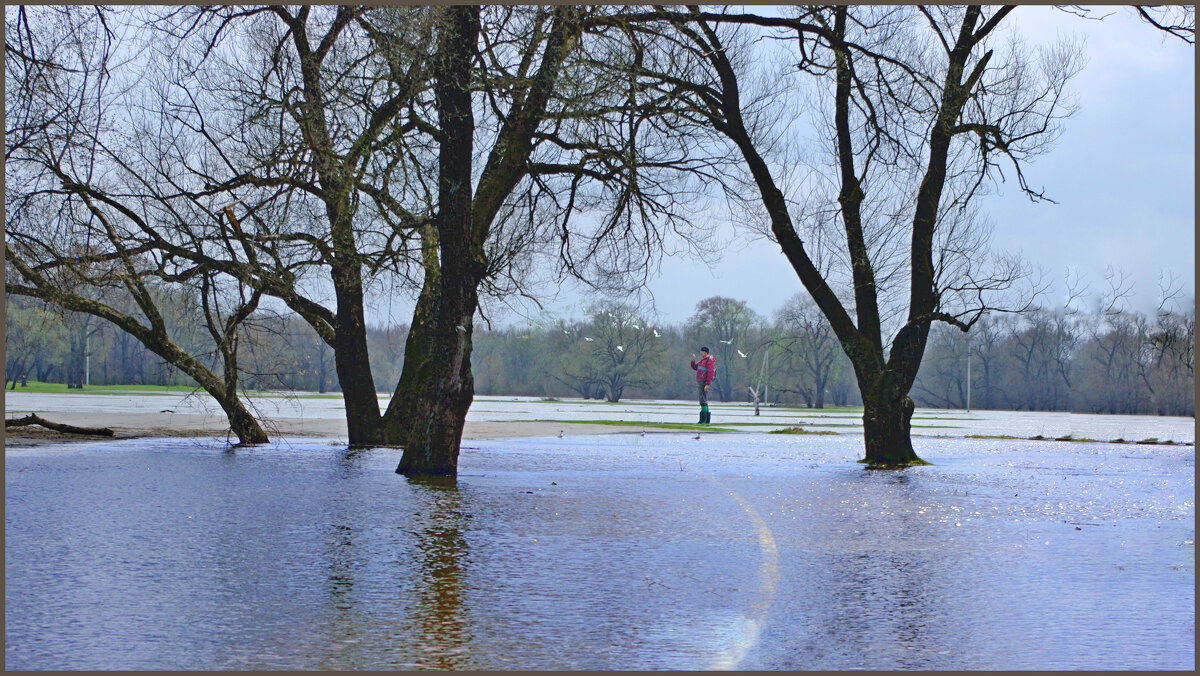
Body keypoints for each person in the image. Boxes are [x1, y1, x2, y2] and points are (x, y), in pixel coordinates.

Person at [690, 347, 716, 424]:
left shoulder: (709, 361)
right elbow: (695, 367)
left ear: (706, 353)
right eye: (701, 351)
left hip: (704, 382)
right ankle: (706, 421)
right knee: (704, 399)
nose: (701, 353)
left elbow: (711, 373)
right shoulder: (702, 361)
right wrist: (693, 360)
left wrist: (707, 384)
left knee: (703, 400)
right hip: (700, 382)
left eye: (702, 352)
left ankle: (703, 420)